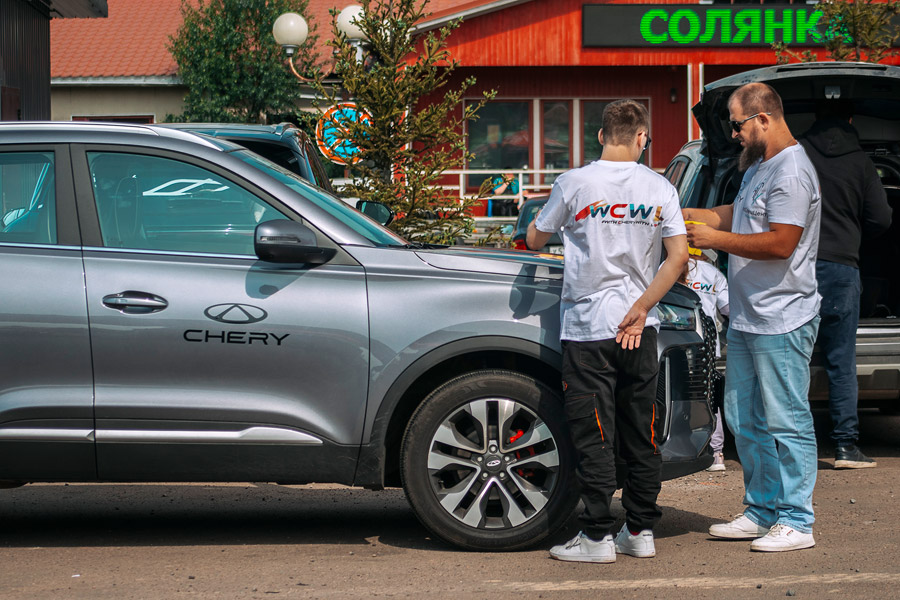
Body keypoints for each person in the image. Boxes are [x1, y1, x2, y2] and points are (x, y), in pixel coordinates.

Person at [527, 99, 688, 563]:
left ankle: (596, 536)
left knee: (593, 435)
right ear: (642, 137)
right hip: (640, 328)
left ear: (600, 136)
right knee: (641, 433)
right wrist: (641, 307)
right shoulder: (660, 187)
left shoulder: (574, 182)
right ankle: (639, 531)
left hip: (588, 329)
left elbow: (535, 238)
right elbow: (678, 257)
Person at [683, 82, 821, 552]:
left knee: (788, 422)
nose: (734, 133)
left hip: (782, 317)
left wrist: (714, 241)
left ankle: (797, 521)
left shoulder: (792, 172)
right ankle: (762, 511)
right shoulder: (761, 166)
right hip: (747, 317)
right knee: (744, 420)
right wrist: (688, 215)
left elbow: (781, 243)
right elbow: (736, 214)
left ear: (763, 118)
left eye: (738, 124)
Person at [798, 100, 892, 469]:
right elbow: (881, 218)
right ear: (851, 120)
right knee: (840, 360)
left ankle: (795, 446)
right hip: (841, 270)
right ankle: (845, 447)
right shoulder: (861, 163)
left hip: (797, 267)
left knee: (793, 358)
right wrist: (854, 233)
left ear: (814, 119)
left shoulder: (797, 157)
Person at [681, 248, 730, 471]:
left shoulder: (666, 267)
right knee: (709, 396)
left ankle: (685, 449)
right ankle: (716, 453)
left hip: (676, 341)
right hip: (707, 343)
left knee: (679, 395)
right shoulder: (713, 273)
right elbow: (728, 308)